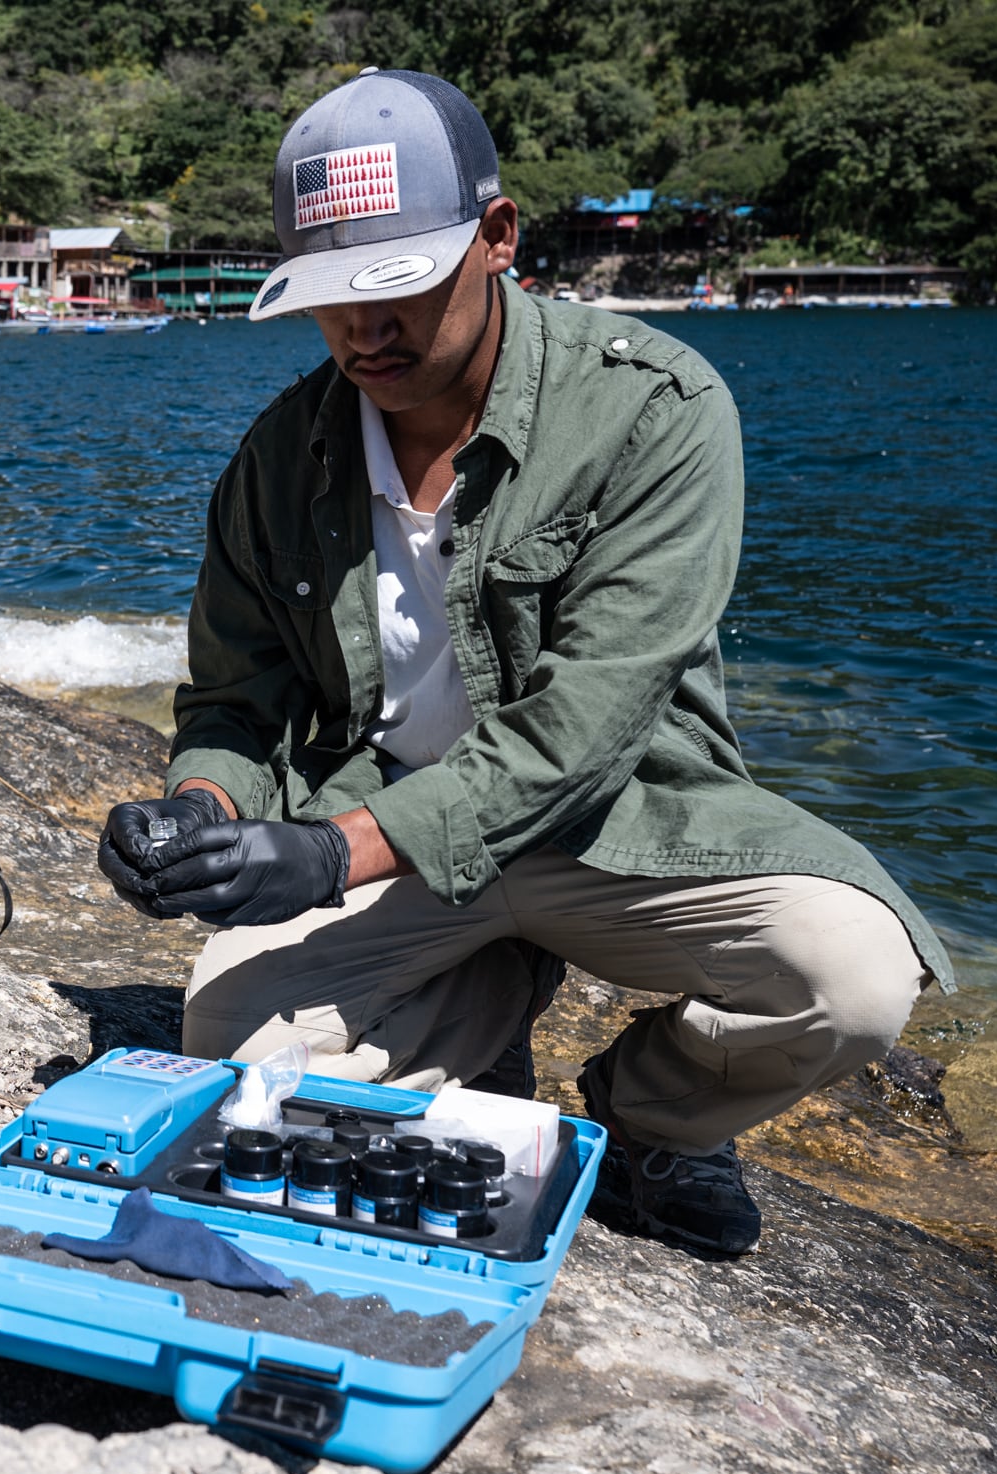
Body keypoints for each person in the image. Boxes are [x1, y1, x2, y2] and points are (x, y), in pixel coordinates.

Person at [96, 70, 952, 1256]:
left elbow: (581, 732)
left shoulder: (653, 411)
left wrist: (317, 855)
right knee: (232, 1052)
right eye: (332, 297)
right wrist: (195, 811)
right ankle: (483, 1001)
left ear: (496, 238)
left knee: (851, 978)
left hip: (606, 828)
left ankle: (650, 1120)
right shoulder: (278, 457)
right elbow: (233, 699)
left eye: (396, 288)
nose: (362, 331)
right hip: (389, 836)